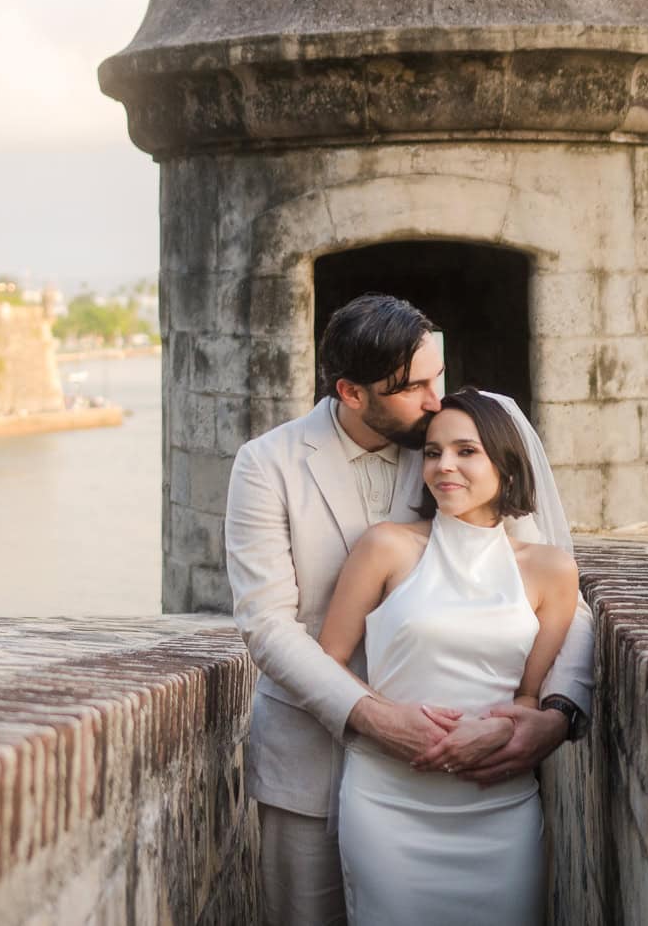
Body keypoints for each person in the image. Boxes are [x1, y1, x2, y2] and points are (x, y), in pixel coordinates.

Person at [225, 293, 591, 926]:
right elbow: (267, 625)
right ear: (352, 392)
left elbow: (557, 595)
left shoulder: (455, 447)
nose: (433, 400)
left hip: (470, 773)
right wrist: (372, 715)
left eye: (436, 376)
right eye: (414, 386)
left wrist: (554, 712)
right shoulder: (267, 464)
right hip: (308, 760)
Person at [317, 387, 578, 925]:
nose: (443, 467)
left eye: (466, 451)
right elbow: (328, 662)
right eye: (433, 452)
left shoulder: (550, 570)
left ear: (505, 464)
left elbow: (528, 696)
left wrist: (504, 731)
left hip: (498, 808)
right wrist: (390, 720)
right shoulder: (385, 547)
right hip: (388, 802)